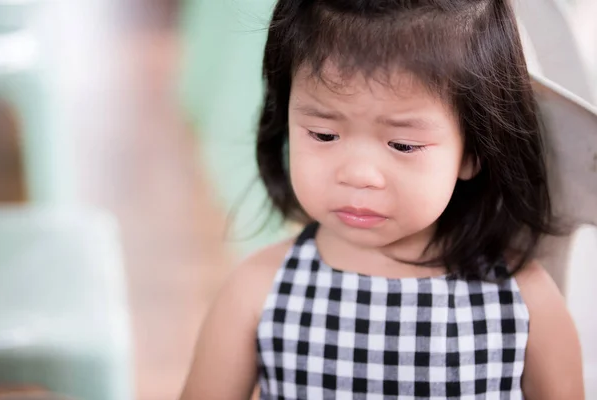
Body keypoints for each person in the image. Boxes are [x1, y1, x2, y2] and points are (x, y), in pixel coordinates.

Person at [180, 0, 585, 398]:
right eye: (323, 135)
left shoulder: (523, 303)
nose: (358, 174)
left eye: (403, 145)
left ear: (473, 150)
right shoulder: (258, 290)